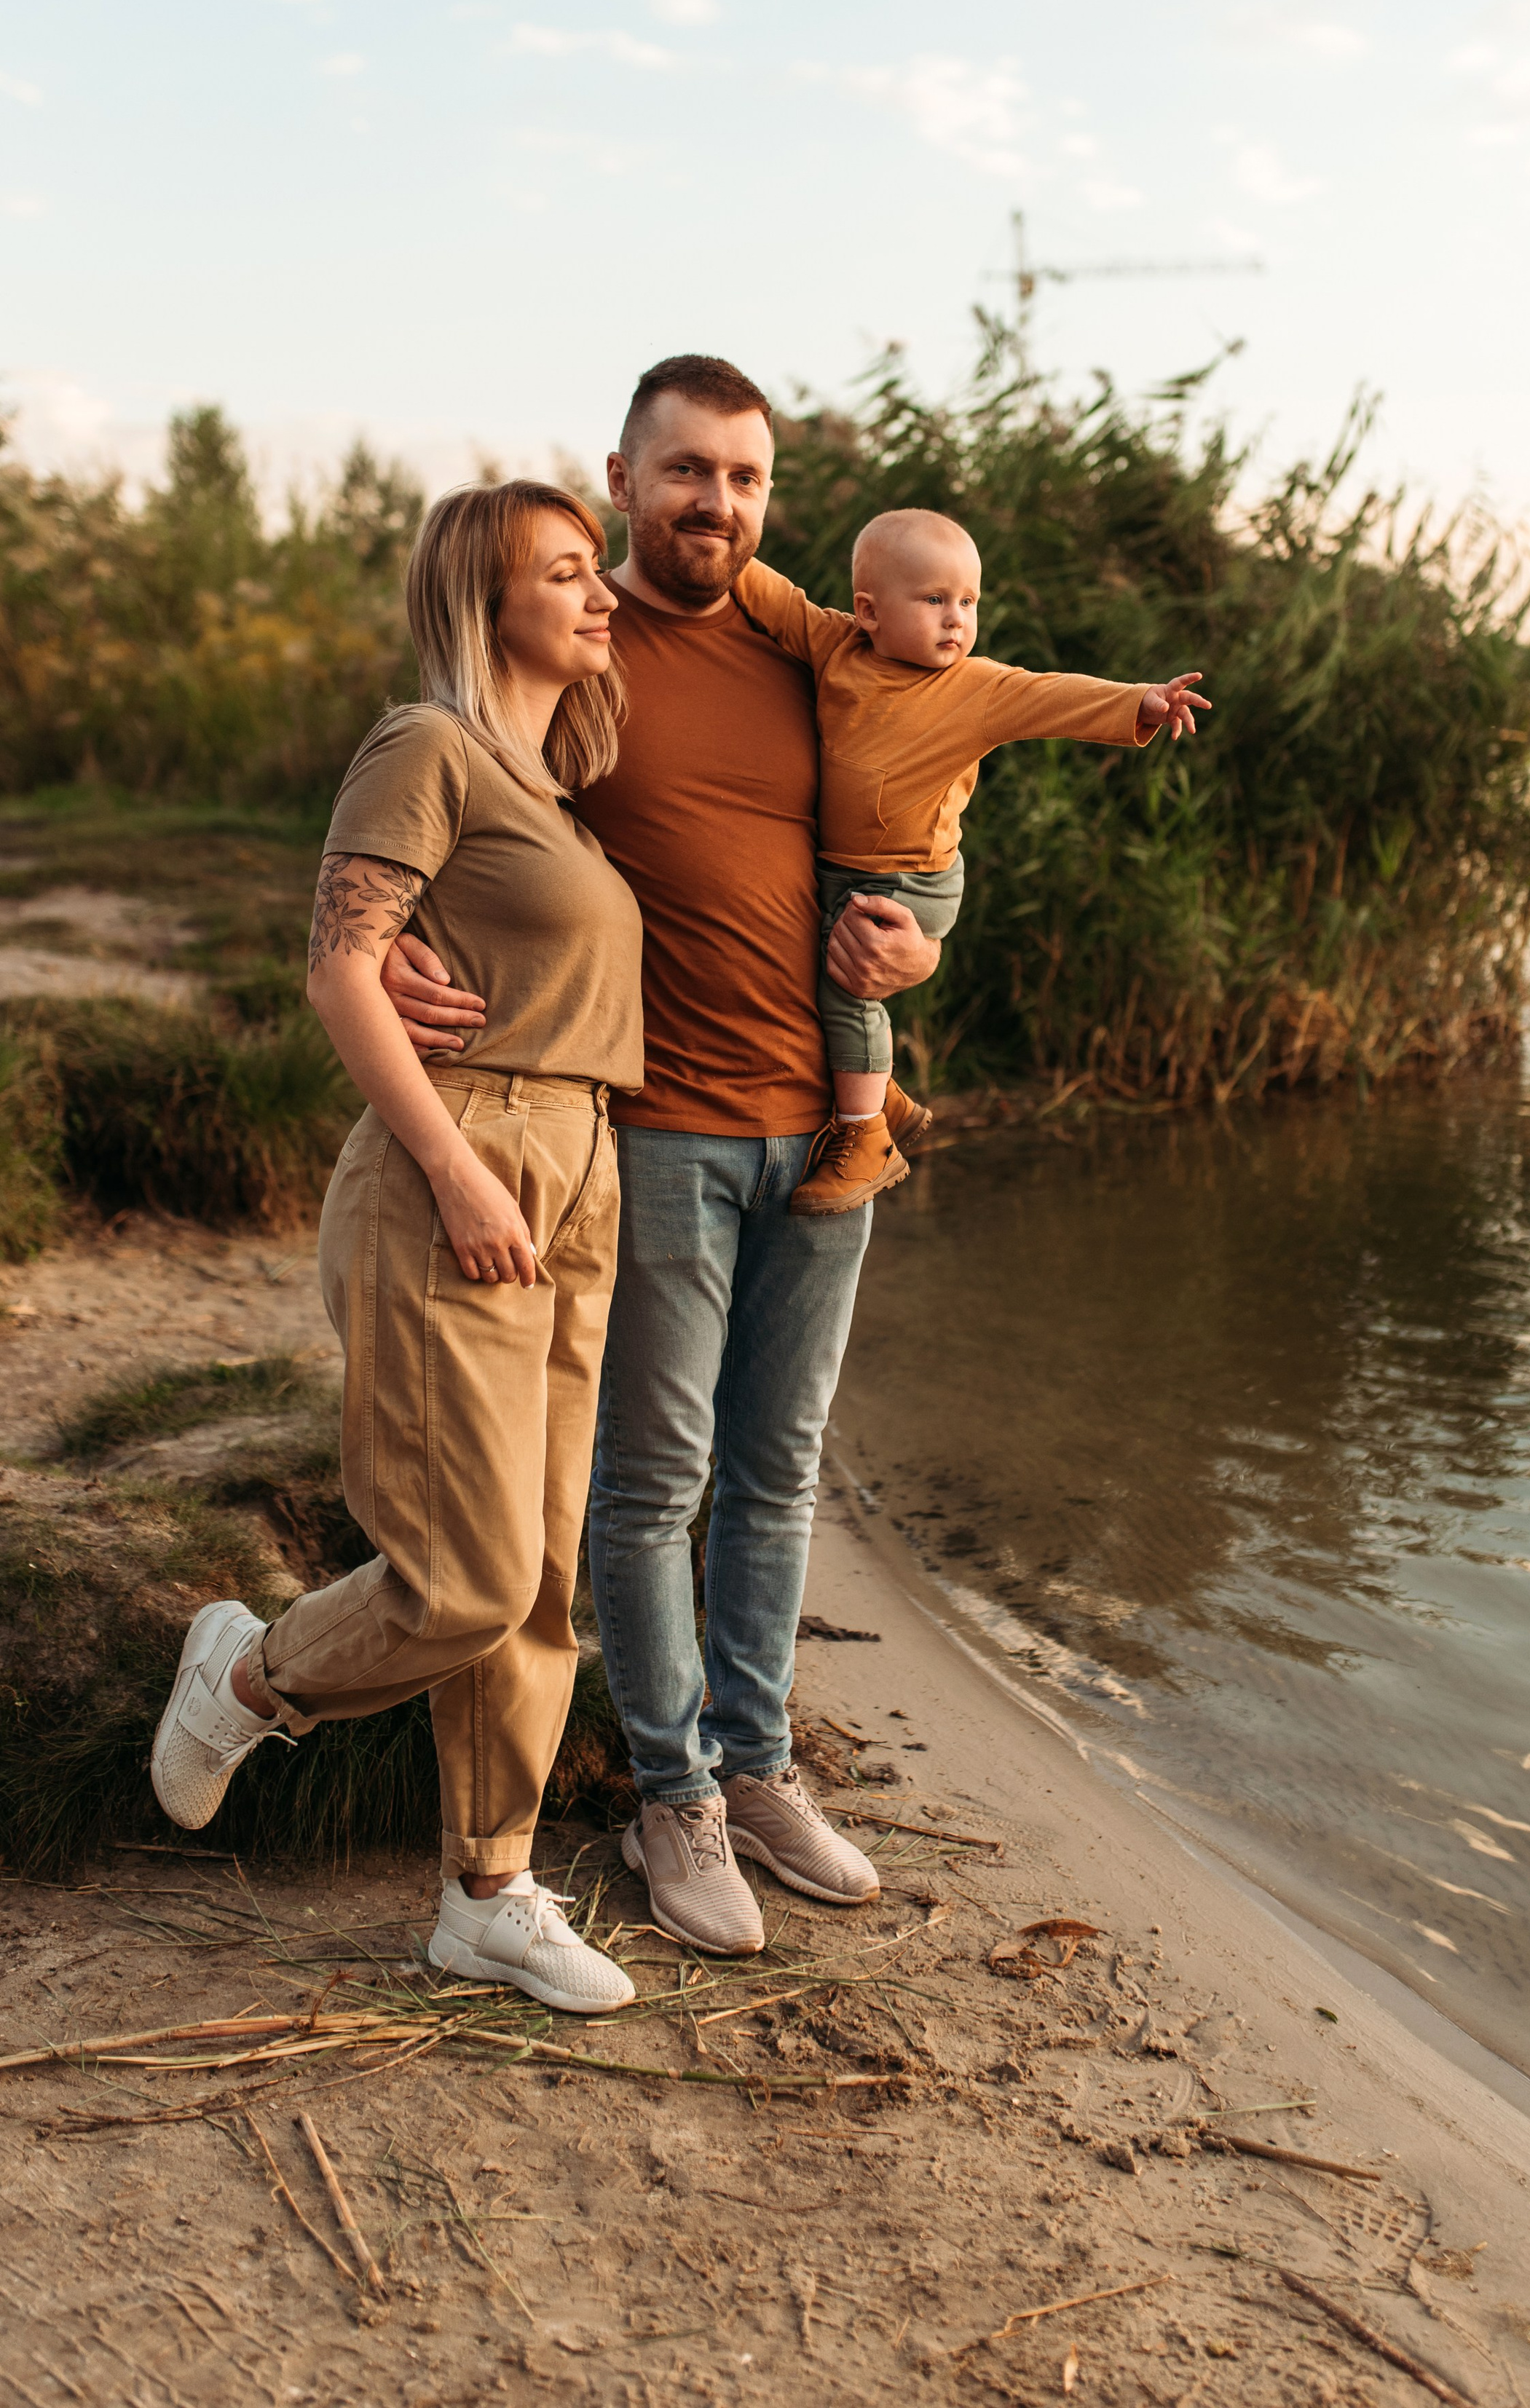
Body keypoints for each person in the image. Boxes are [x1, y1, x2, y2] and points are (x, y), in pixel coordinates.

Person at [381, 355, 941, 1957]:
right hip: (658, 1132)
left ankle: (757, 1768)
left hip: (828, 1135)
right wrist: (392, 939)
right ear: (620, 480)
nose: (716, 503)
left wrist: (918, 945)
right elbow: (447, 778)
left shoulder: (811, 654)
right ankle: (668, 1794)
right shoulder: (580, 648)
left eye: (745, 479)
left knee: (778, 1469)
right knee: (648, 1482)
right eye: (686, 472)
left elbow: (911, 836)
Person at [150, 479, 642, 2016]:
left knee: (547, 1575)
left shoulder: (553, 789)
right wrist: (453, 1163)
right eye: (562, 572)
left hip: (579, 1168)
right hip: (464, 1169)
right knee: (469, 1576)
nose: (596, 593)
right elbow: (338, 969)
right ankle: (249, 1676)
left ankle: (484, 1895)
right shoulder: (423, 745)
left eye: (590, 568)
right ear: (482, 600)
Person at [731, 510, 1210, 1214]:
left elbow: (1052, 694)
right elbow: (777, 600)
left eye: (968, 602)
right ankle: (881, 1092)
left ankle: (864, 1138)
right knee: (791, 956)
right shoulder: (836, 645)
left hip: (909, 877)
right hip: (843, 865)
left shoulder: (972, 686)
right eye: (934, 600)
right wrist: (726, 544)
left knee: (847, 982)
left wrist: (1140, 700)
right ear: (869, 610)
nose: (956, 620)